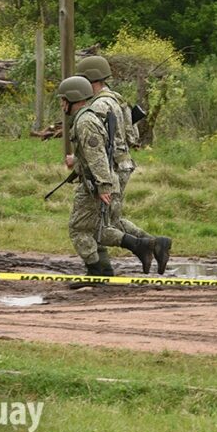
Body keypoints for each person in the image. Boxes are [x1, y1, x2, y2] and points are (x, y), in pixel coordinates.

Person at [76, 55, 171, 274]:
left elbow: (97, 144)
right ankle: (155, 244)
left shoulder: (99, 105)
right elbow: (132, 135)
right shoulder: (118, 100)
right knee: (112, 219)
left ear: (90, 80)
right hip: (124, 163)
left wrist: (100, 178)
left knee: (98, 224)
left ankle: (105, 269)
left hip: (111, 168)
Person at [57, 76, 153, 276]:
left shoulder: (85, 121)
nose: (61, 104)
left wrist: (103, 186)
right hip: (98, 181)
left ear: (72, 99)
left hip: (98, 183)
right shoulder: (88, 117)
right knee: (98, 227)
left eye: (63, 100)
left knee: (80, 229)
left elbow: (97, 155)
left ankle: (100, 270)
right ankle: (108, 266)